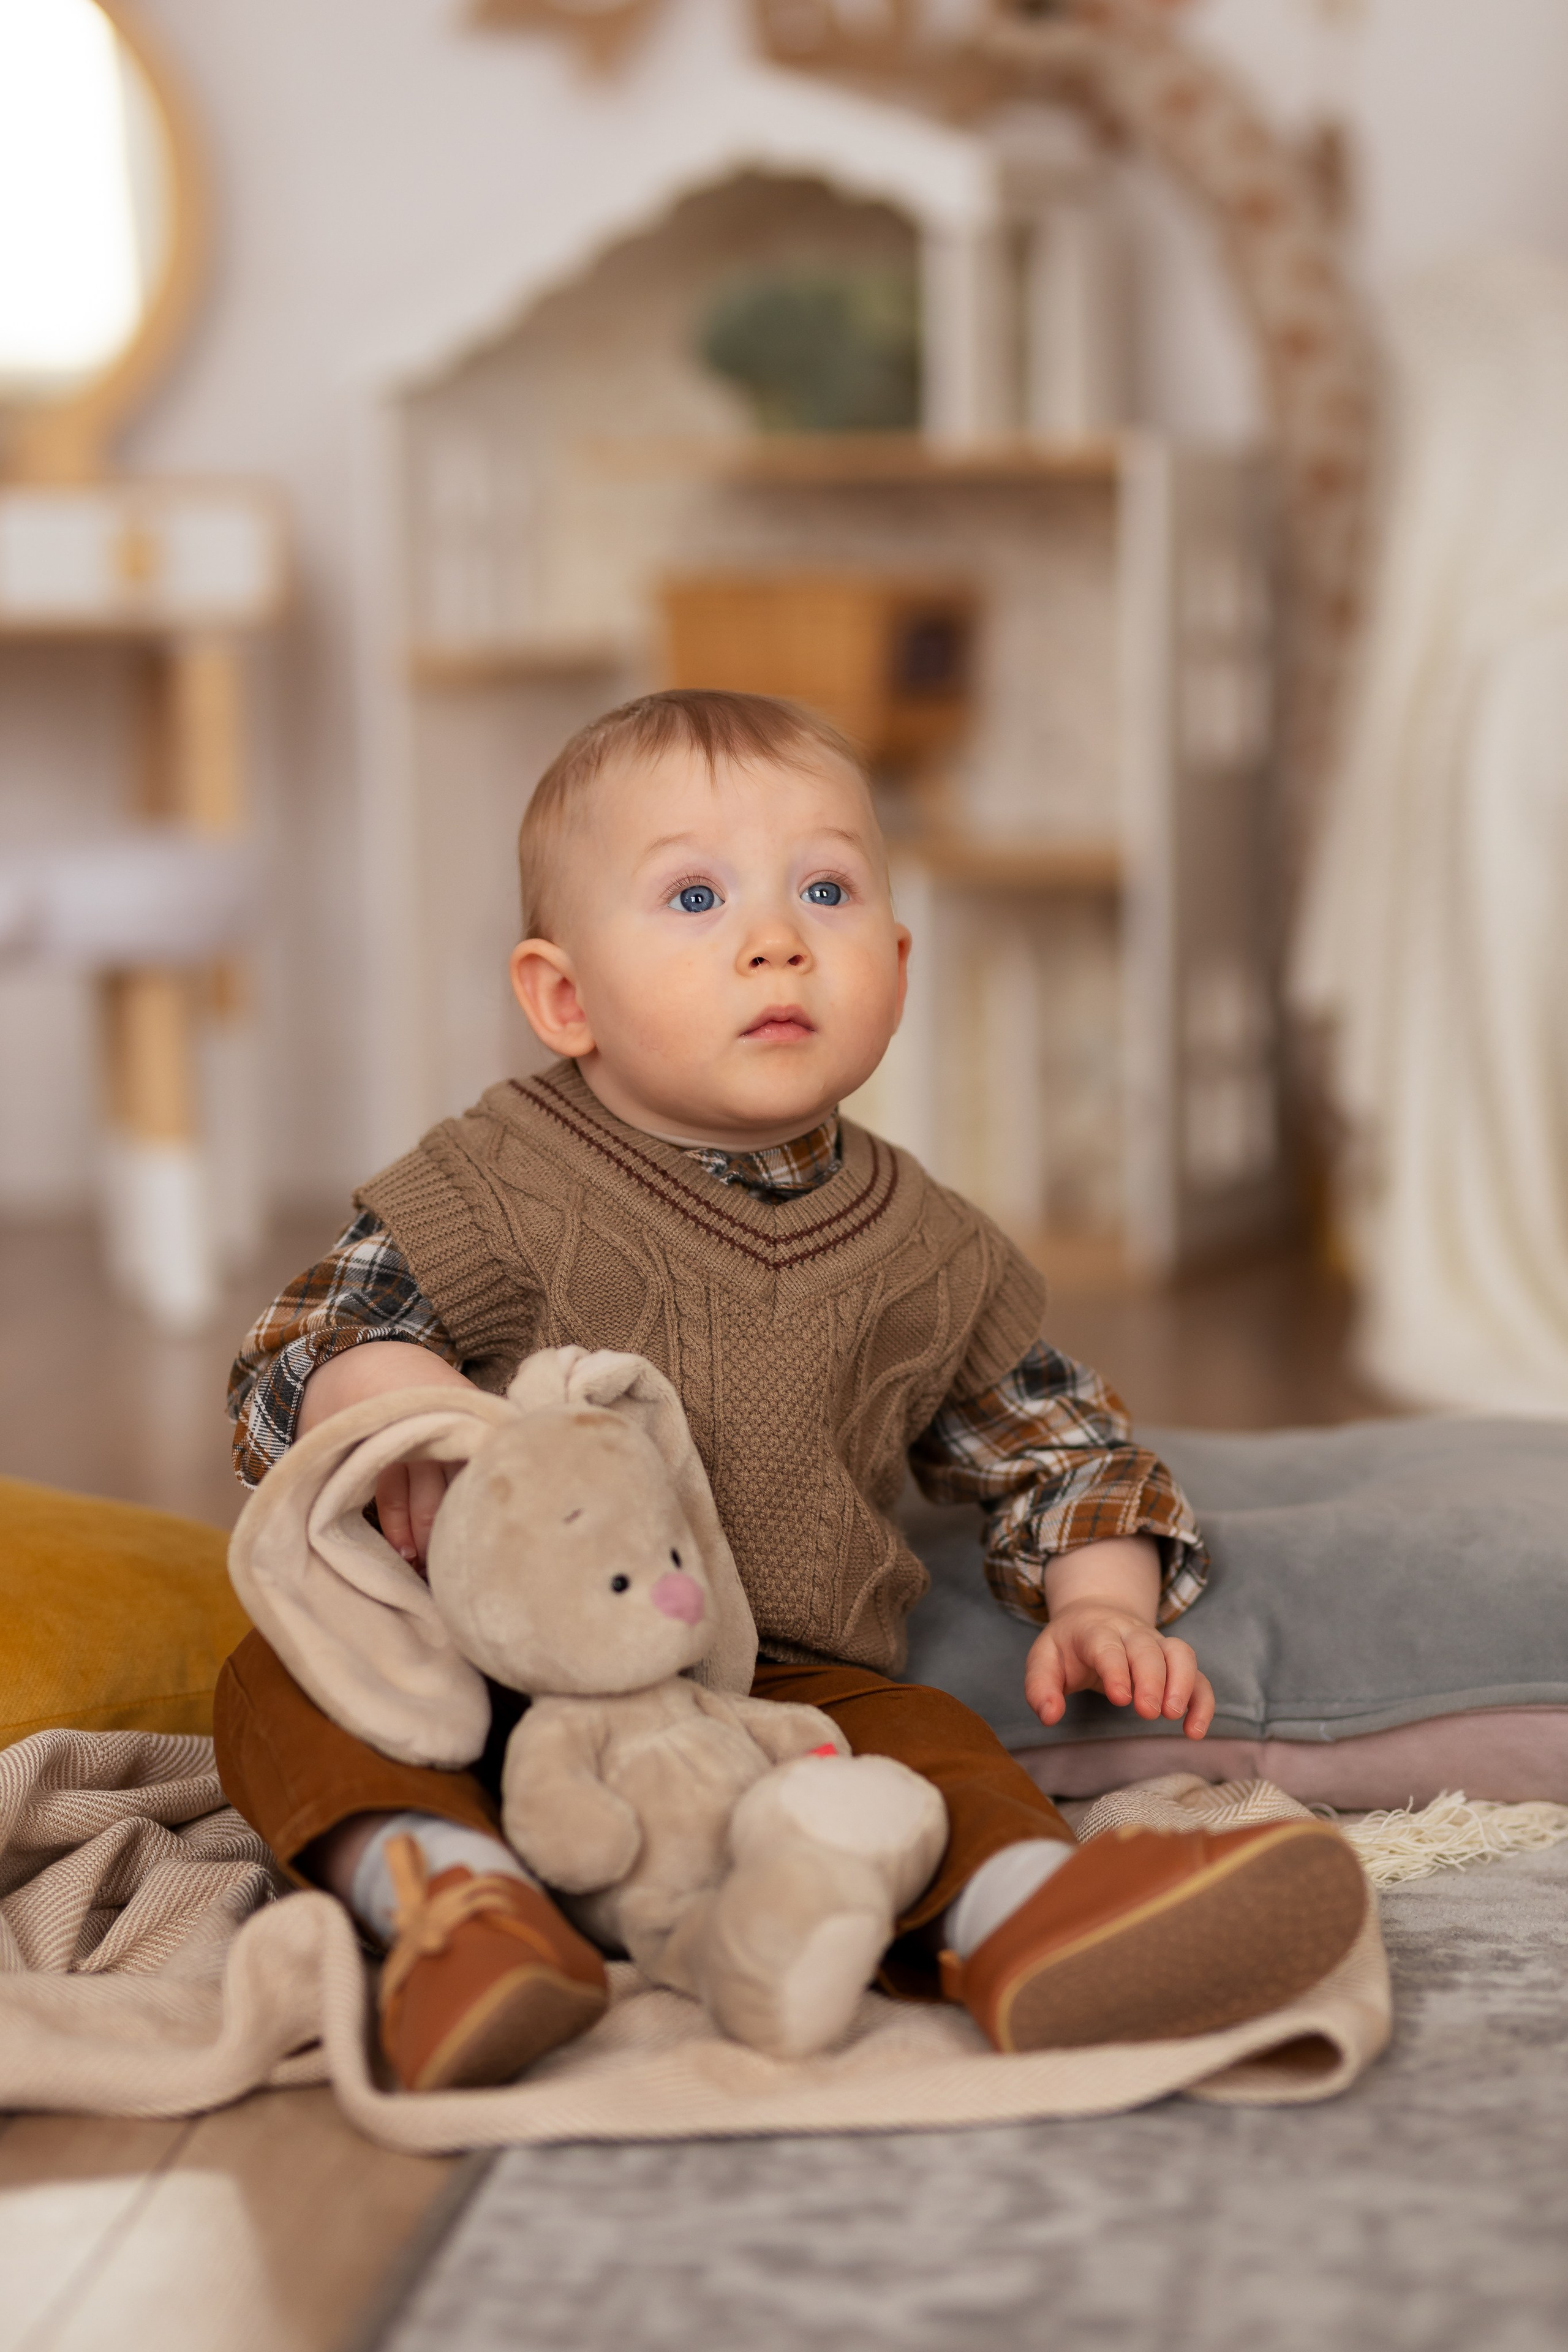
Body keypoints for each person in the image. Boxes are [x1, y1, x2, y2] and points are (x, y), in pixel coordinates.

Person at [217, 690, 1364, 2093]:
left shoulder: (923, 1245)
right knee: (279, 1689)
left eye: (823, 889)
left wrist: (1101, 1605)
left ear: (892, 959)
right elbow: (294, 1350)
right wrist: (390, 1405)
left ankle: (1026, 1924)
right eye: (694, 896)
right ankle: (453, 1905)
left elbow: (1058, 1439)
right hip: (494, 1667)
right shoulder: (497, 1182)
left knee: (934, 1746)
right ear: (562, 995)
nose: (776, 939)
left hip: (780, 1681)